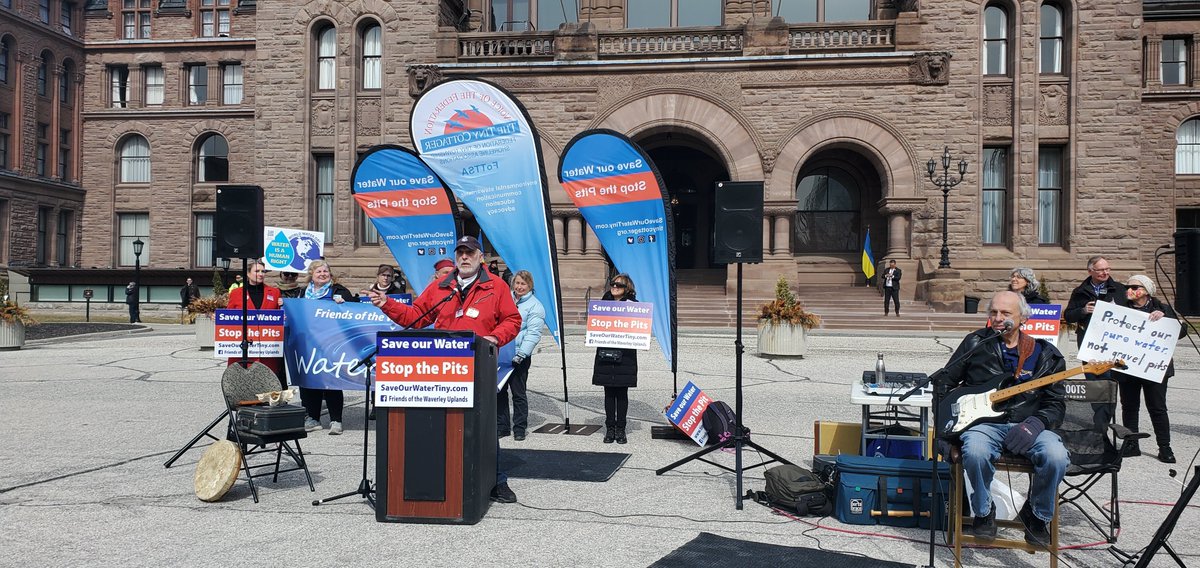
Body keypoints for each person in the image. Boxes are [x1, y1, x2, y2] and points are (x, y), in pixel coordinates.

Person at [368, 235, 522, 504]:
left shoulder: (496, 287)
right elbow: (415, 317)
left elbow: (512, 319)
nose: (464, 257)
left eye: (470, 253)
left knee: (484, 427)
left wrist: (495, 338)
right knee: (446, 423)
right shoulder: (442, 286)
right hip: (443, 369)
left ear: (480, 258)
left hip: (479, 367)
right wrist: (387, 304)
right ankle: (449, 478)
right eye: (460, 252)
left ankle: (496, 480)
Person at [941, 291, 1068, 546]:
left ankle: (1037, 515)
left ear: (1023, 318)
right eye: (994, 312)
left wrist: (1036, 423)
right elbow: (944, 382)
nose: (998, 318)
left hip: (1029, 425)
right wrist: (946, 430)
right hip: (984, 425)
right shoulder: (975, 344)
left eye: (1006, 313)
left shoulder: (1046, 354)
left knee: (1056, 457)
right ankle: (984, 511)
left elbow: (1056, 404)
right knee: (975, 452)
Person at [1114, 275, 1183, 463]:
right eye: (1128, 287)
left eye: (1134, 287)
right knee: (1129, 406)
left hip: (1154, 367)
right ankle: (1132, 444)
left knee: (1158, 408)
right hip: (1129, 366)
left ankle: (1165, 447)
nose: (1128, 290)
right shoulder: (1122, 311)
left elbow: (1181, 332)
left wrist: (1165, 318)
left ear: (1145, 290)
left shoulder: (1162, 308)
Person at [299, 259, 359, 435]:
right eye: (319, 272)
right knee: (310, 380)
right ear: (312, 275)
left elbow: (354, 311)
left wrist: (344, 303)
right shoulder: (303, 293)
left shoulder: (339, 291)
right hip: (308, 343)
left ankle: (336, 420)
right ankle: (313, 418)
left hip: (332, 343)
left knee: (332, 381)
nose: (323, 274)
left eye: (325, 271)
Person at [593, 273, 639, 445]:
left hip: (625, 355)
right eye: (613, 284)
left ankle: (621, 428)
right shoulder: (602, 304)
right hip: (605, 353)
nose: (614, 287)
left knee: (622, 393)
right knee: (608, 392)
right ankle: (609, 428)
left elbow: (640, 328)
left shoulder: (634, 306)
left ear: (627, 288)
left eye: (619, 285)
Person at [226, 259, 286, 389]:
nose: (261, 274)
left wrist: (283, 314)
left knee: (266, 388)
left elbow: (279, 317)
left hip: (267, 351)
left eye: (263, 271)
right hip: (244, 349)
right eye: (257, 271)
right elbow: (229, 318)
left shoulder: (275, 293)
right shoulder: (236, 293)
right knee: (243, 387)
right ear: (247, 273)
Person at [499, 270, 544, 441]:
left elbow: (533, 333)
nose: (519, 287)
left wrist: (521, 354)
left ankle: (519, 428)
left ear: (529, 286)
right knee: (500, 391)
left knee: (518, 393)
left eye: (523, 284)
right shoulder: (505, 299)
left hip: (519, 354)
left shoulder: (535, 306)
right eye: (517, 283)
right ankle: (502, 426)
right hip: (502, 351)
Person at [1064, 256, 1127, 347]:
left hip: (1113, 339)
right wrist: (1083, 311)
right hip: (1088, 340)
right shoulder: (1079, 291)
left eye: (1107, 269)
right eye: (1101, 270)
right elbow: (1068, 316)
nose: (1105, 273)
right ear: (1090, 271)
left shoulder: (1120, 289)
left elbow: (1135, 309)